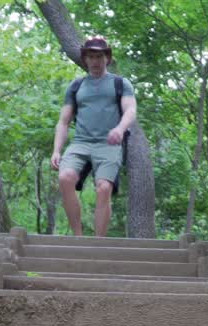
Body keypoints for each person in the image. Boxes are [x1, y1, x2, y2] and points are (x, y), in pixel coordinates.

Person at [50, 37, 137, 237]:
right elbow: (63, 122)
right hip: (80, 143)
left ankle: (98, 242)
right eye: (91, 57)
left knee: (104, 188)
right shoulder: (76, 86)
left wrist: (120, 128)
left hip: (108, 144)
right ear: (85, 59)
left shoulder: (120, 83)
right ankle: (78, 238)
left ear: (107, 58)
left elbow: (130, 110)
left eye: (99, 56)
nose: (95, 61)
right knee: (65, 178)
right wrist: (56, 150)